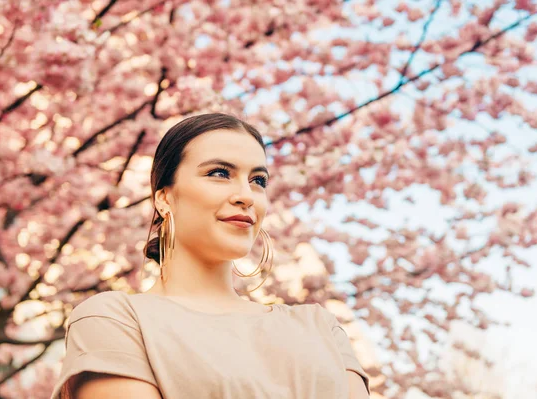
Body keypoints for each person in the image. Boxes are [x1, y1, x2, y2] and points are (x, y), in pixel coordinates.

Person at [50, 113, 371, 399]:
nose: (246, 196)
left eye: (258, 180)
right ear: (164, 198)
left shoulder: (320, 327)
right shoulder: (115, 319)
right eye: (219, 173)